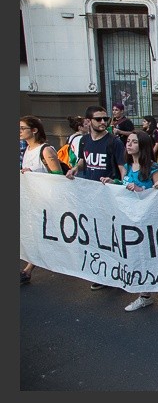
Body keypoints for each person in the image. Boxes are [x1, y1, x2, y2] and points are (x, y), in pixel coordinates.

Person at [100, 130, 158, 310]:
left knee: (149, 256)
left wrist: (139, 190)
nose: (129, 144)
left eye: (134, 142)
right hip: (131, 219)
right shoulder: (128, 167)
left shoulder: (153, 168)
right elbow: (124, 185)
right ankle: (144, 292)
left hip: (149, 221)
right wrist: (113, 183)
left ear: (142, 146)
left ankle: (145, 295)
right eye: (128, 141)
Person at [65, 105, 127, 289]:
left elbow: (123, 168)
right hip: (90, 195)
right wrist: (76, 169)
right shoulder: (84, 140)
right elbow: (84, 161)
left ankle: (116, 271)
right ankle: (102, 272)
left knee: (111, 235)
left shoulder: (114, 142)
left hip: (109, 195)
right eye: (98, 119)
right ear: (88, 121)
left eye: (105, 119)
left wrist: (120, 187)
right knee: (95, 234)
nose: (103, 122)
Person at [19, 115, 65, 285]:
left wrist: (34, 175)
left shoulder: (45, 150)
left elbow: (58, 176)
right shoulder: (27, 150)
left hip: (47, 201)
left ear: (34, 130)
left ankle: (28, 270)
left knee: (42, 235)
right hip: (34, 200)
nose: (20, 131)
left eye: (23, 128)